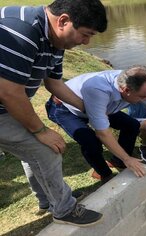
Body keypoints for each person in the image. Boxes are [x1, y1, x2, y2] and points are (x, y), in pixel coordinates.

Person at [0, 0, 107, 226]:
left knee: (34, 153)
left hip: (6, 104)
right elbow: (9, 92)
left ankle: (48, 201)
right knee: (47, 150)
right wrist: (40, 130)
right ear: (64, 21)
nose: (86, 42)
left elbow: (54, 83)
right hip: (5, 103)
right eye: (86, 34)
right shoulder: (22, 30)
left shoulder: (54, 39)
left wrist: (88, 109)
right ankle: (65, 210)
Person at [46, 65, 146, 182]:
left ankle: (118, 161)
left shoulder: (136, 84)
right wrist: (128, 159)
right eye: (142, 97)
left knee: (132, 125)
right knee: (91, 141)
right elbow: (103, 133)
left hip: (102, 107)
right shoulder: (98, 90)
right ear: (126, 90)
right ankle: (104, 173)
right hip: (65, 108)